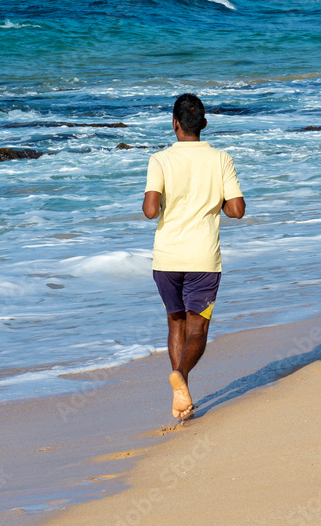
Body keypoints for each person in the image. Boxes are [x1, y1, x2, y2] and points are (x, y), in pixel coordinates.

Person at [142, 93, 245, 420]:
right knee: (197, 329)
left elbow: (149, 211)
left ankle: (181, 396)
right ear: (203, 124)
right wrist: (218, 203)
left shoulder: (159, 160)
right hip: (203, 259)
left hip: (167, 259)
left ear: (174, 124)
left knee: (175, 322)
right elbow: (237, 210)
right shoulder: (221, 159)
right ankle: (181, 377)